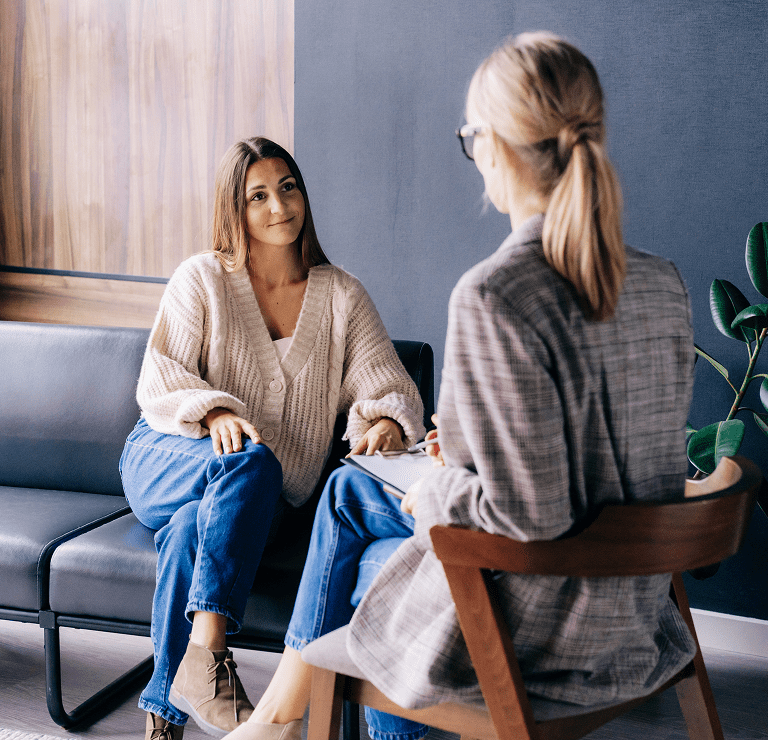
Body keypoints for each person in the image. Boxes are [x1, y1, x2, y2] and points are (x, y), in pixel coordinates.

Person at [223, 32, 697, 740]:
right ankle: (274, 717)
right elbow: (606, 460)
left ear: (499, 147)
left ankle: (277, 718)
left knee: (383, 550)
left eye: (470, 135)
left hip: (545, 628)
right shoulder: (661, 282)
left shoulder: (496, 294)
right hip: (633, 617)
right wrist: (464, 456)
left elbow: (525, 514)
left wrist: (440, 488)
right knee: (353, 487)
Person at [119, 136, 425, 740]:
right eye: (257, 195)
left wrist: (385, 422)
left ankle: (164, 714)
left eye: (287, 187)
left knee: (193, 527)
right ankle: (207, 657)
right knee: (252, 462)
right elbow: (160, 377)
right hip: (167, 454)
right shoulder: (202, 278)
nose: (278, 206)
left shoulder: (342, 295)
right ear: (235, 208)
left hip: (262, 496)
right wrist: (213, 415)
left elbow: (387, 383)